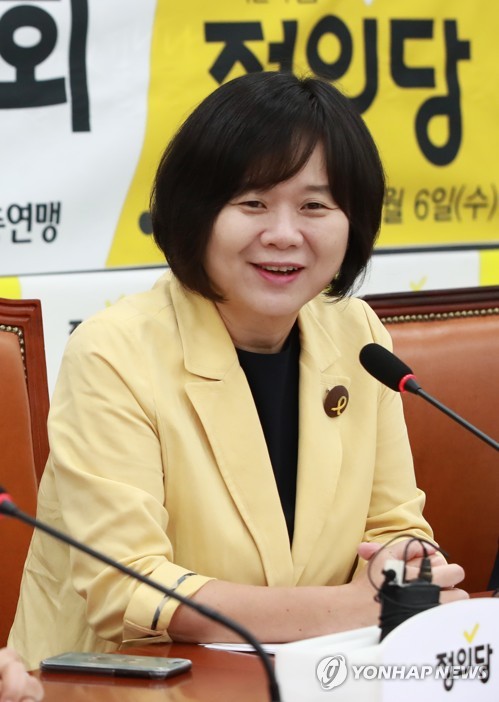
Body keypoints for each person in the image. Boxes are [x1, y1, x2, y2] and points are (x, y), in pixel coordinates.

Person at [9, 71, 467, 669]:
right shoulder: (114, 352)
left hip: (310, 678)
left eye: (315, 206)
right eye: (253, 203)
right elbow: (128, 589)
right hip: (122, 686)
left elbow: (392, 523)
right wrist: (353, 608)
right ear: (196, 213)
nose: (284, 234)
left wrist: (402, 566)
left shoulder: (357, 335)